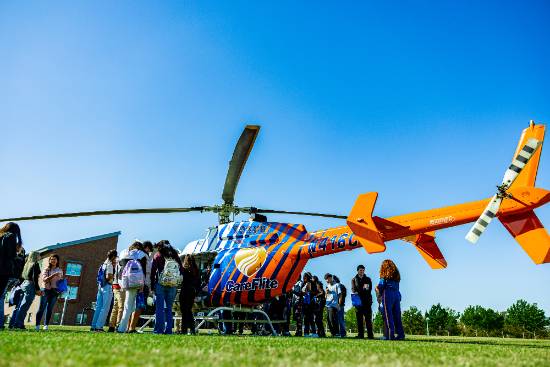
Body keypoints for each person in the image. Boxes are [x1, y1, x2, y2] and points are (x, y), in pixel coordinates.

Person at [151, 241, 182, 334]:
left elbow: (153, 271)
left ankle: (158, 330)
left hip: (160, 284)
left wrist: (152, 286)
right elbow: (181, 269)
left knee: (159, 308)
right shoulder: (175, 255)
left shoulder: (158, 255)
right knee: (169, 308)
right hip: (173, 285)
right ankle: (169, 330)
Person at [117, 241, 147, 333]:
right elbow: (143, 271)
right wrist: (142, 284)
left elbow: (120, 268)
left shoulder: (123, 253)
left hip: (123, 281)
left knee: (130, 305)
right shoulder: (142, 254)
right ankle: (121, 329)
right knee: (128, 306)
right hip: (135, 282)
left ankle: (125, 327)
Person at [0, 222, 23, 330]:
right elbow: (10, 255)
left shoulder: (1, 236)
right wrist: (16, 251)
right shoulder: (10, 237)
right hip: (3, 270)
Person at [128, 241, 154, 333]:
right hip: (142, 283)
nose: (149, 252)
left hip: (130, 282)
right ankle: (132, 327)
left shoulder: (131, 254)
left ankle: (128, 327)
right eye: (149, 249)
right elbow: (146, 271)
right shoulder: (144, 256)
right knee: (138, 305)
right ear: (146, 247)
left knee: (130, 305)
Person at [375, 259, 405, 340]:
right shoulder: (396, 277)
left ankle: (389, 335)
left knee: (388, 316)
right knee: (397, 316)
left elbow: (380, 287)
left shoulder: (384, 276)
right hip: (397, 295)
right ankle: (401, 335)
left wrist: (377, 290)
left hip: (388, 294)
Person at [11, 251, 41, 329]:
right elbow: (35, 278)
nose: (40, 256)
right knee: (24, 306)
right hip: (30, 285)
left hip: (24, 284)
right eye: (39, 255)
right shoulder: (35, 264)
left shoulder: (27, 264)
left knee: (20, 305)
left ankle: (14, 323)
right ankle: (18, 324)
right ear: (36, 256)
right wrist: (37, 289)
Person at [90, 249, 117, 332]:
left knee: (98, 307)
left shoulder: (104, 264)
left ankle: (93, 326)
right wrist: (114, 276)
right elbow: (108, 276)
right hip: (108, 286)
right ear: (113, 256)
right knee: (105, 307)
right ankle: (99, 327)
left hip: (101, 286)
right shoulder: (109, 265)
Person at [35, 254, 63, 331]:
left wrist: (62, 283)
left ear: (57, 261)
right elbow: (44, 279)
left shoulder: (60, 270)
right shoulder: (46, 269)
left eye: (54, 259)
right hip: (45, 290)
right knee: (41, 308)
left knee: (50, 309)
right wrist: (54, 275)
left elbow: (60, 281)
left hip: (55, 291)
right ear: (49, 260)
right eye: (51, 259)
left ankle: (46, 325)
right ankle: (37, 325)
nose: (53, 260)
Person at [351, 264, 374, 339]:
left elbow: (367, 290)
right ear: (357, 271)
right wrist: (359, 290)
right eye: (360, 270)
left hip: (367, 302)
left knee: (368, 319)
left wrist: (359, 291)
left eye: (363, 270)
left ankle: (370, 335)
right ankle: (360, 335)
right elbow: (353, 290)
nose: (362, 272)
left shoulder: (368, 279)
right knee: (359, 320)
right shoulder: (353, 279)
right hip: (358, 302)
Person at [179, 254, 199, 335]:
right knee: (189, 311)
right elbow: (198, 282)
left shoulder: (184, 269)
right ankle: (192, 329)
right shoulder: (196, 270)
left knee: (184, 311)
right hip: (192, 291)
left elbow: (180, 280)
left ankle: (184, 329)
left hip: (184, 291)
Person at [108, 256, 125, 332]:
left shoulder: (117, 262)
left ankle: (111, 326)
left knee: (115, 306)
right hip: (119, 286)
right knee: (121, 306)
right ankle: (118, 325)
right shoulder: (122, 262)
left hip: (115, 285)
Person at [301, 272, 316, 336]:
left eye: (305, 277)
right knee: (306, 319)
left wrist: (306, 291)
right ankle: (306, 333)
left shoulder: (310, 283)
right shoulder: (304, 283)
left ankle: (313, 332)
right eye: (303, 277)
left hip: (309, 303)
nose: (304, 278)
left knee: (310, 318)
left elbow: (309, 292)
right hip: (305, 303)